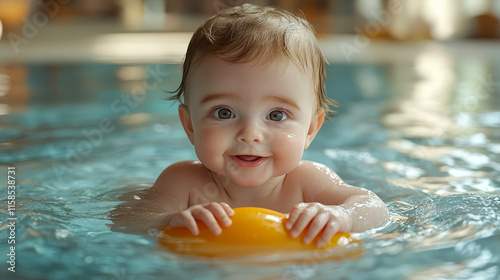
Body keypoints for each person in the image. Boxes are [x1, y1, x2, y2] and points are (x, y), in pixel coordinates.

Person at [111, 4, 388, 248]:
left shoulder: (307, 183)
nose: (250, 134)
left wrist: (342, 216)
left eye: (277, 115)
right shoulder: (183, 183)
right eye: (223, 112)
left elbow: (375, 208)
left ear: (311, 129)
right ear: (190, 126)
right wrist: (169, 221)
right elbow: (127, 221)